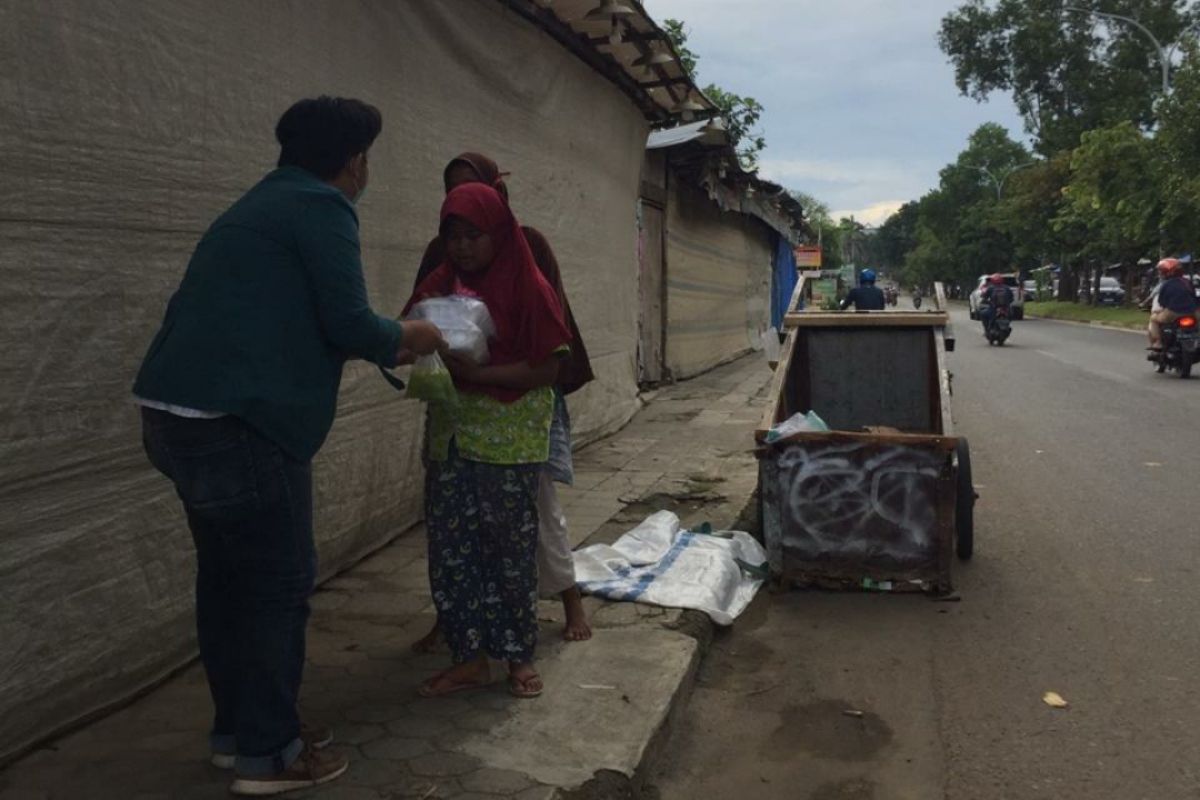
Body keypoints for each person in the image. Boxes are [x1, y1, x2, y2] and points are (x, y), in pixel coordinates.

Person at [132, 97, 443, 796]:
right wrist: (413, 336)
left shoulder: (257, 205)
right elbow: (350, 322)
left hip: (173, 415)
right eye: (369, 160)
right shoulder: (320, 207)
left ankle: (235, 734)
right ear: (355, 161)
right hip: (240, 424)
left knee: (226, 578)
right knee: (276, 587)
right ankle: (270, 755)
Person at [410, 153, 595, 647]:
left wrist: (487, 366)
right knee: (456, 535)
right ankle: (460, 630)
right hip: (459, 415)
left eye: (476, 197)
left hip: (516, 414)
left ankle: (562, 600)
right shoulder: (442, 258)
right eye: (453, 204)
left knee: (529, 518)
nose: (463, 241)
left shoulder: (526, 251)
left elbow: (549, 342)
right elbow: (415, 319)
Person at [1146, 258, 1198, 350]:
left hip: (1173, 312)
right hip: (1192, 312)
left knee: (1154, 318)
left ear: (1167, 272)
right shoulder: (1187, 282)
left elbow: (1162, 303)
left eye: (1162, 271)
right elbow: (1194, 296)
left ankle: (1158, 342)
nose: (1161, 273)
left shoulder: (1165, 285)